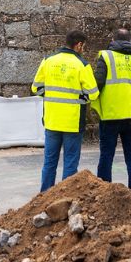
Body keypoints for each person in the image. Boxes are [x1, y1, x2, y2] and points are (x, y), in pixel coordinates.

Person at [31, 30, 99, 191]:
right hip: (72, 122)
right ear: (79, 45)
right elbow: (94, 94)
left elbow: (36, 88)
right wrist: (81, 98)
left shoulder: (48, 61)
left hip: (52, 120)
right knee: (70, 163)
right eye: (84, 46)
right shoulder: (82, 65)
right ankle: (65, 197)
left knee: (49, 162)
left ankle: (45, 196)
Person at [92, 28, 131, 194]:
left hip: (110, 114)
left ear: (113, 39)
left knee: (106, 155)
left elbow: (97, 84)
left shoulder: (106, 56)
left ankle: (103, 191)